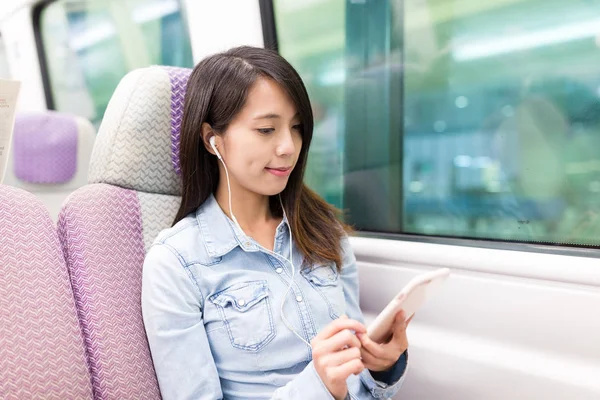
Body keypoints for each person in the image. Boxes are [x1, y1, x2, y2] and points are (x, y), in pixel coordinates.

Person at [141, 46, 410, 400]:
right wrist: (319, 386)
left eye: (297, 127)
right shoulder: (177, 263)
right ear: (212, 139)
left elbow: (361, 384)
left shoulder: (322, 230)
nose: (288, 147)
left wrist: (383, 367)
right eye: (267, 129)